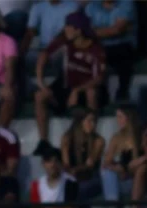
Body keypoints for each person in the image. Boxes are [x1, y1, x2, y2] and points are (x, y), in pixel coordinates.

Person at [33, 11, 107, 154]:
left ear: (79, 30)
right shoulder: (64, 41)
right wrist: (41, 83)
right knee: (40, 96)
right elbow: (43, 56)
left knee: (91, 92)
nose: (65, 29)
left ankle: (91, 136)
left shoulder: (96, 49)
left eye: (69, 26)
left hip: (88, 88)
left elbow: (99, 78)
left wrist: (77, 90)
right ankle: (43, 142)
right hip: (67, 87)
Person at [85, 0, 137, 102]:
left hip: (123, 46)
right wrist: (111, 30)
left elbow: (118, 30)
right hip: (99, 47)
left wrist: (96, 31)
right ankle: (101, 96)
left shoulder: (127, 3)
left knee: (123, 55)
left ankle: (122, 93)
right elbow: (87, 31)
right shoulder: (92, 6)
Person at [61, 109, 105, 208]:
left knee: (79, 190)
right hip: (72, 177)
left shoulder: (98, 140)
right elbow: (66, 164)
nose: (93, 124)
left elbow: (89, 165)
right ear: (80, 122)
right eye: (89, 121)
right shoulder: (67, 138)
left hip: (91, 177)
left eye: (94, 121)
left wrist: (75, 170)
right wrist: (72, 171)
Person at [102, 104, 142, 208]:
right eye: (117, 117)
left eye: (121, 117)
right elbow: (106, 162)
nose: (118, 121)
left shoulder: (139, 136)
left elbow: (140, 163)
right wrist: (117, 168)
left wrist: (125, 169)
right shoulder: (116, 137)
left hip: (135, 182)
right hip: (119, 181)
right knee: (106, 171)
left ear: (129, 118)